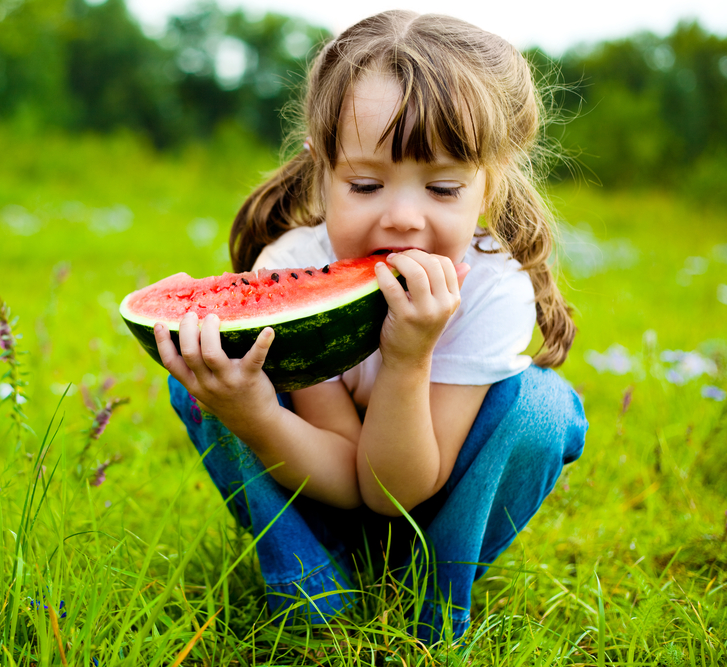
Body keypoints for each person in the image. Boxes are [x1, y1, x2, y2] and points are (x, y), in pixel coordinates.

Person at [153, 9, 587, 643]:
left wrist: (409, 358)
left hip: (432, 507)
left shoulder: (492, 289)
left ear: (489, 186)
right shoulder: (293, 266)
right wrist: (251, 411)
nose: (404, 219)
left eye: (441, 189)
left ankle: (430, 609)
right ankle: (312, 594)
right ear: (321, 168)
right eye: (364, 184)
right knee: (202, 374)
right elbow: (349, 481)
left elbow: (392, 494)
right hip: (316, 487)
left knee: (544, 407)